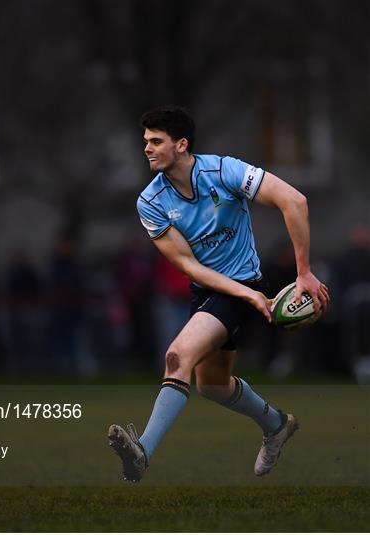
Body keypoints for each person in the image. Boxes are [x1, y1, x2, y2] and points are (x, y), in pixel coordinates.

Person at [108, 105, 330, 482]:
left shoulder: (224, 171)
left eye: (156, 141)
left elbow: (294, 201)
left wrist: (304, 273)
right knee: (212, 386)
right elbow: (190, 267)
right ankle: (276, 425)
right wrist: (246, 297)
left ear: (181, 145)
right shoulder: (150, 201)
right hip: (215, 292)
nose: (146, 148)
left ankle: (142, 452)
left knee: (177, 355)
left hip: (244, 285)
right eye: (145, 141)